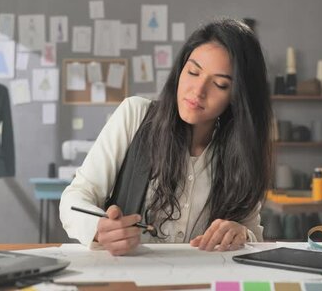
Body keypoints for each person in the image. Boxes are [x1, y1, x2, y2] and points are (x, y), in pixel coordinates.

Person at [59, 18, 272, 256]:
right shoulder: (135, 115)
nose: (198, 91)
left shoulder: (241, 151)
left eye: (220, 84)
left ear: (237, 96)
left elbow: (255, 237)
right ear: (181, 69)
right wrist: (99, 228)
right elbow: (74, 199)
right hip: (129, 278)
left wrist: (242, 233)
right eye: (193, 72)